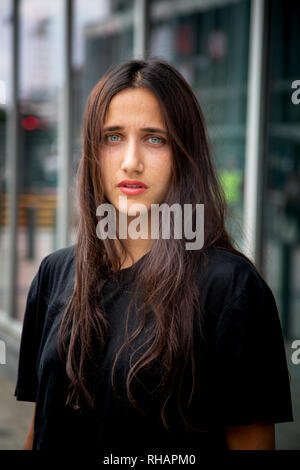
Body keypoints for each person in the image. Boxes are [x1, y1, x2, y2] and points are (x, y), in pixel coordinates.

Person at [15, 58, 293, 452]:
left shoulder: (230, 289)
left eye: (154, 138)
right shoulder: (55, 273)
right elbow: (37, 430)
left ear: (184, 153)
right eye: (113, 137)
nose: (131, 161)